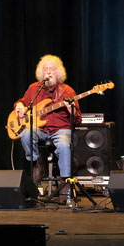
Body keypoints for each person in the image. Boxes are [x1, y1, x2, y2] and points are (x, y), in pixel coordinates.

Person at [14, 54, 82, 202]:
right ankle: (37, 164)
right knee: (25, 135)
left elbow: (78, 120)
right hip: (41, 129)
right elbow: (21, 102)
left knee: (64, 145)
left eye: (52, 69)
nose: (48, 72)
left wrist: (71, 111)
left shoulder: (67, 91)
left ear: (59, 72)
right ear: (40, 72)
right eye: (45, 69)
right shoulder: (34, 88)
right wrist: (19, 106)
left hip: (60, 128)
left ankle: (65, 182)